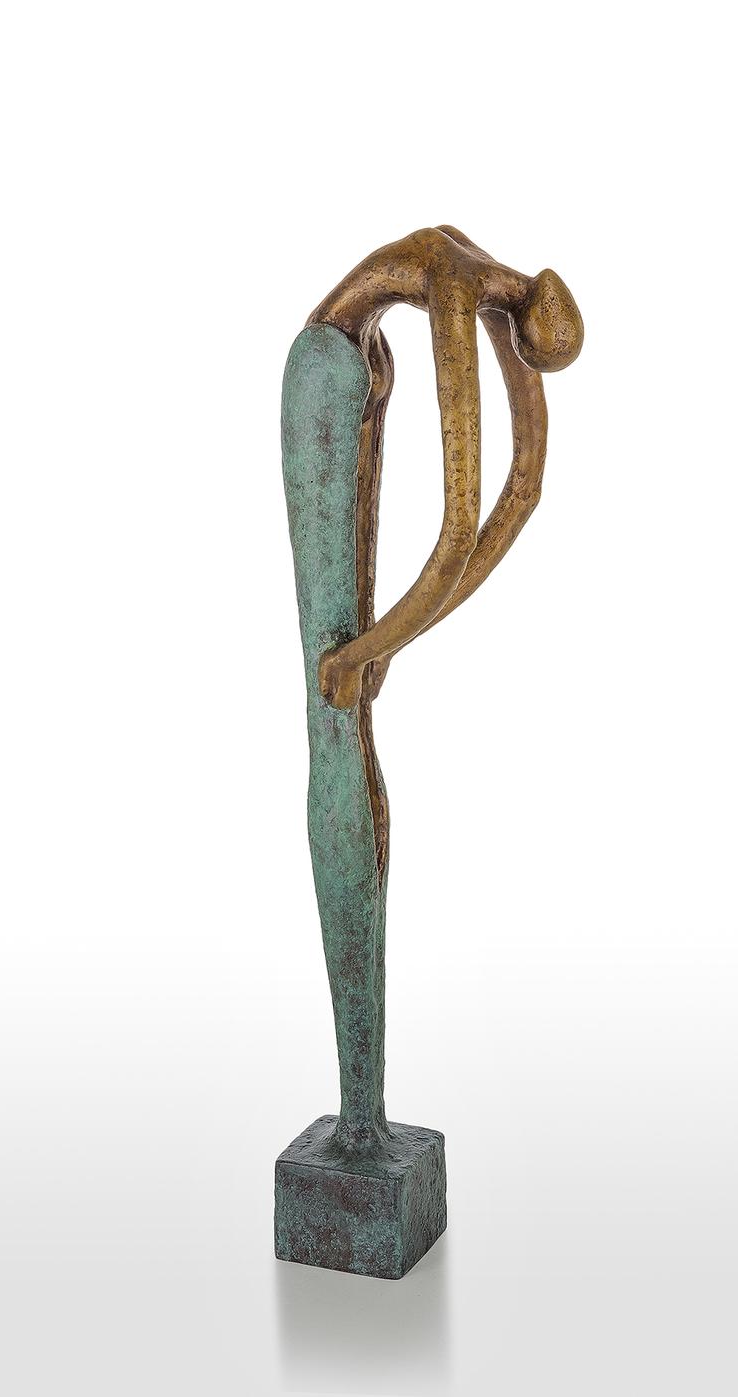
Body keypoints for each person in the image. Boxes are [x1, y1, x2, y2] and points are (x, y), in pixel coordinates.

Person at [281, 226, 583, 1153]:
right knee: (334, 723)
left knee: (349, 718)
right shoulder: (459, 283)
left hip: (360, 368)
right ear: (532, 317)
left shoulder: (500, 294)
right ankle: (357, 1110)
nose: (517, 366)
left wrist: (390, 643)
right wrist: (366, 651)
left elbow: (522, 491)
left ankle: (364, 1109)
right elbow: (458, 528)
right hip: (322, 373)